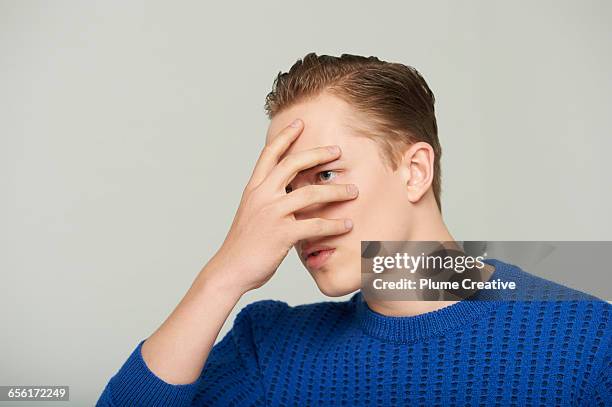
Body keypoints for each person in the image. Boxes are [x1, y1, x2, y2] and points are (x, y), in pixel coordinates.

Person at [96, 53, 610, 406]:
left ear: (414, 171)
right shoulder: (269, 348)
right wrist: (223, 275)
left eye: (324, 177)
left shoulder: (589, 342)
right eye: (287, 190)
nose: (297, 218)